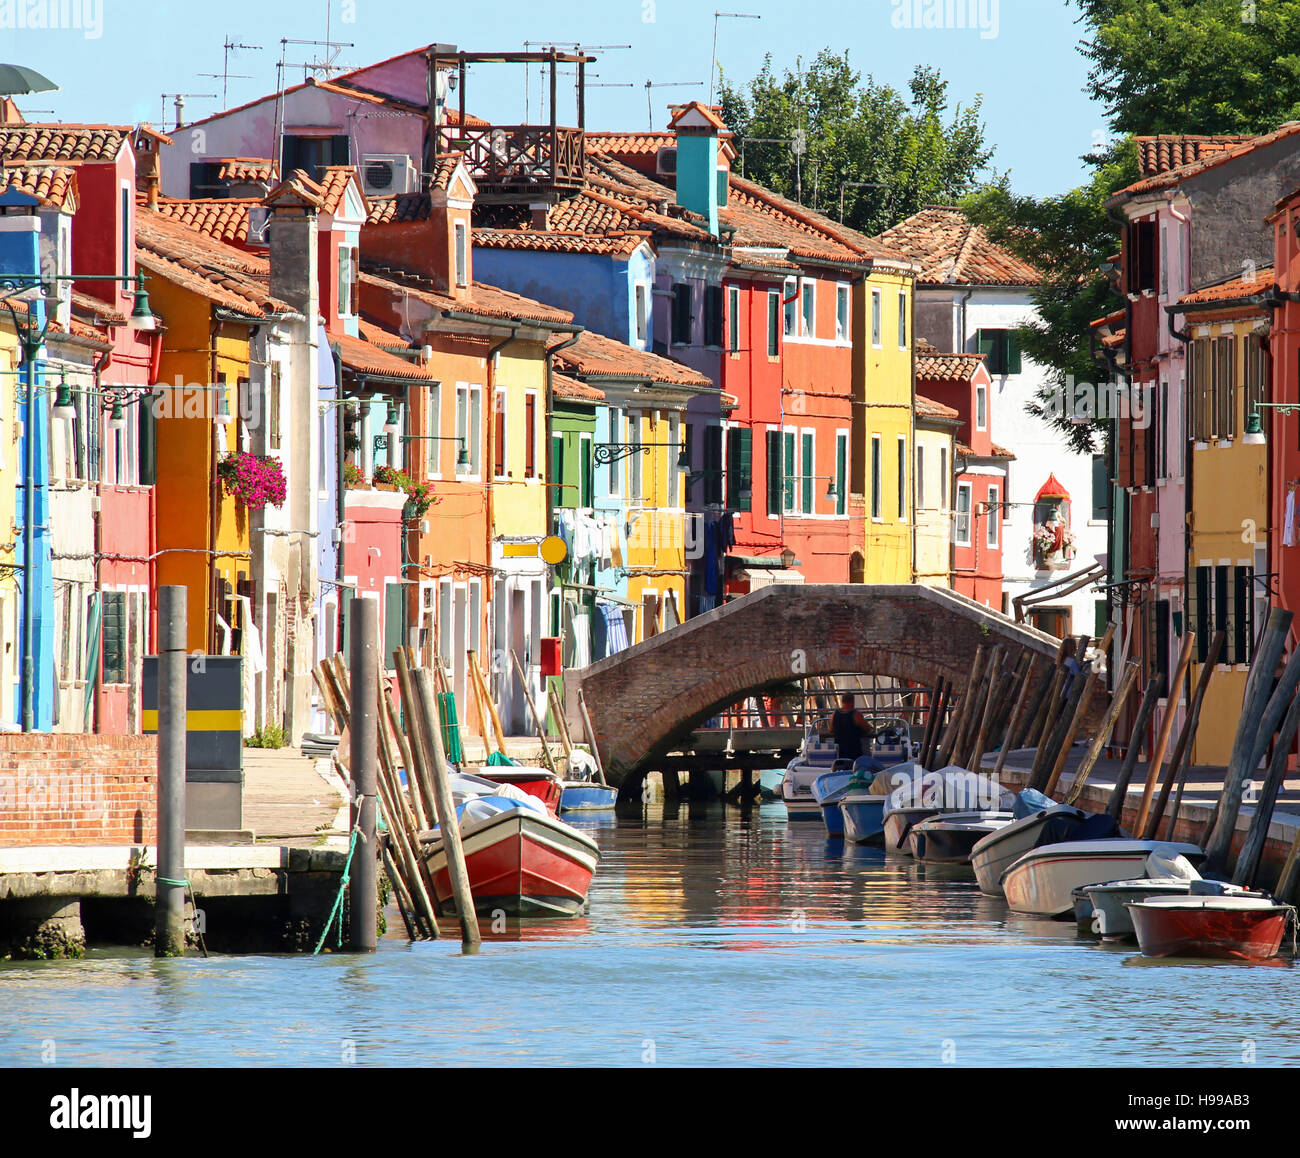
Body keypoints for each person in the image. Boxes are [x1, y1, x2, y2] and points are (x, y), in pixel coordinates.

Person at [831, 694, 876, 763]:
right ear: (853, 702)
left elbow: (831, 729)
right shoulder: (856, 715)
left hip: (839, 751)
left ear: (842, 701)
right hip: (854, 751)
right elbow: (868, 729)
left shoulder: (835, 714)